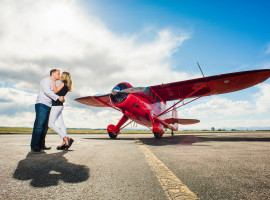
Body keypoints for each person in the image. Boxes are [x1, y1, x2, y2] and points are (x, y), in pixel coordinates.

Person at [31, 69, 65, 153]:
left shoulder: (53, 83)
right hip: (42, 104)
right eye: (58, 74)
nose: (59, 75)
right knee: (39, 125)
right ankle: (35, 146)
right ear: (53, 74)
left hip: (49, 105)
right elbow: (47, 91)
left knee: (45, 127)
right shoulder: (46, 80)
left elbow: (55, 92)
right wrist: (58, 97)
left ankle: (42, 145)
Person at [48, 72, 74, 150]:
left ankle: (66, 138)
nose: (60, 76)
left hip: (56, 106)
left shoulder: (63, 82)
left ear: (64, 76)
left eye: (61, 75)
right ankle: (64, 142)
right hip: (59, 105)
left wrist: (53, 81)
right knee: (61, 123)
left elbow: (55, 91)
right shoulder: (67, 84)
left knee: (50, 124)